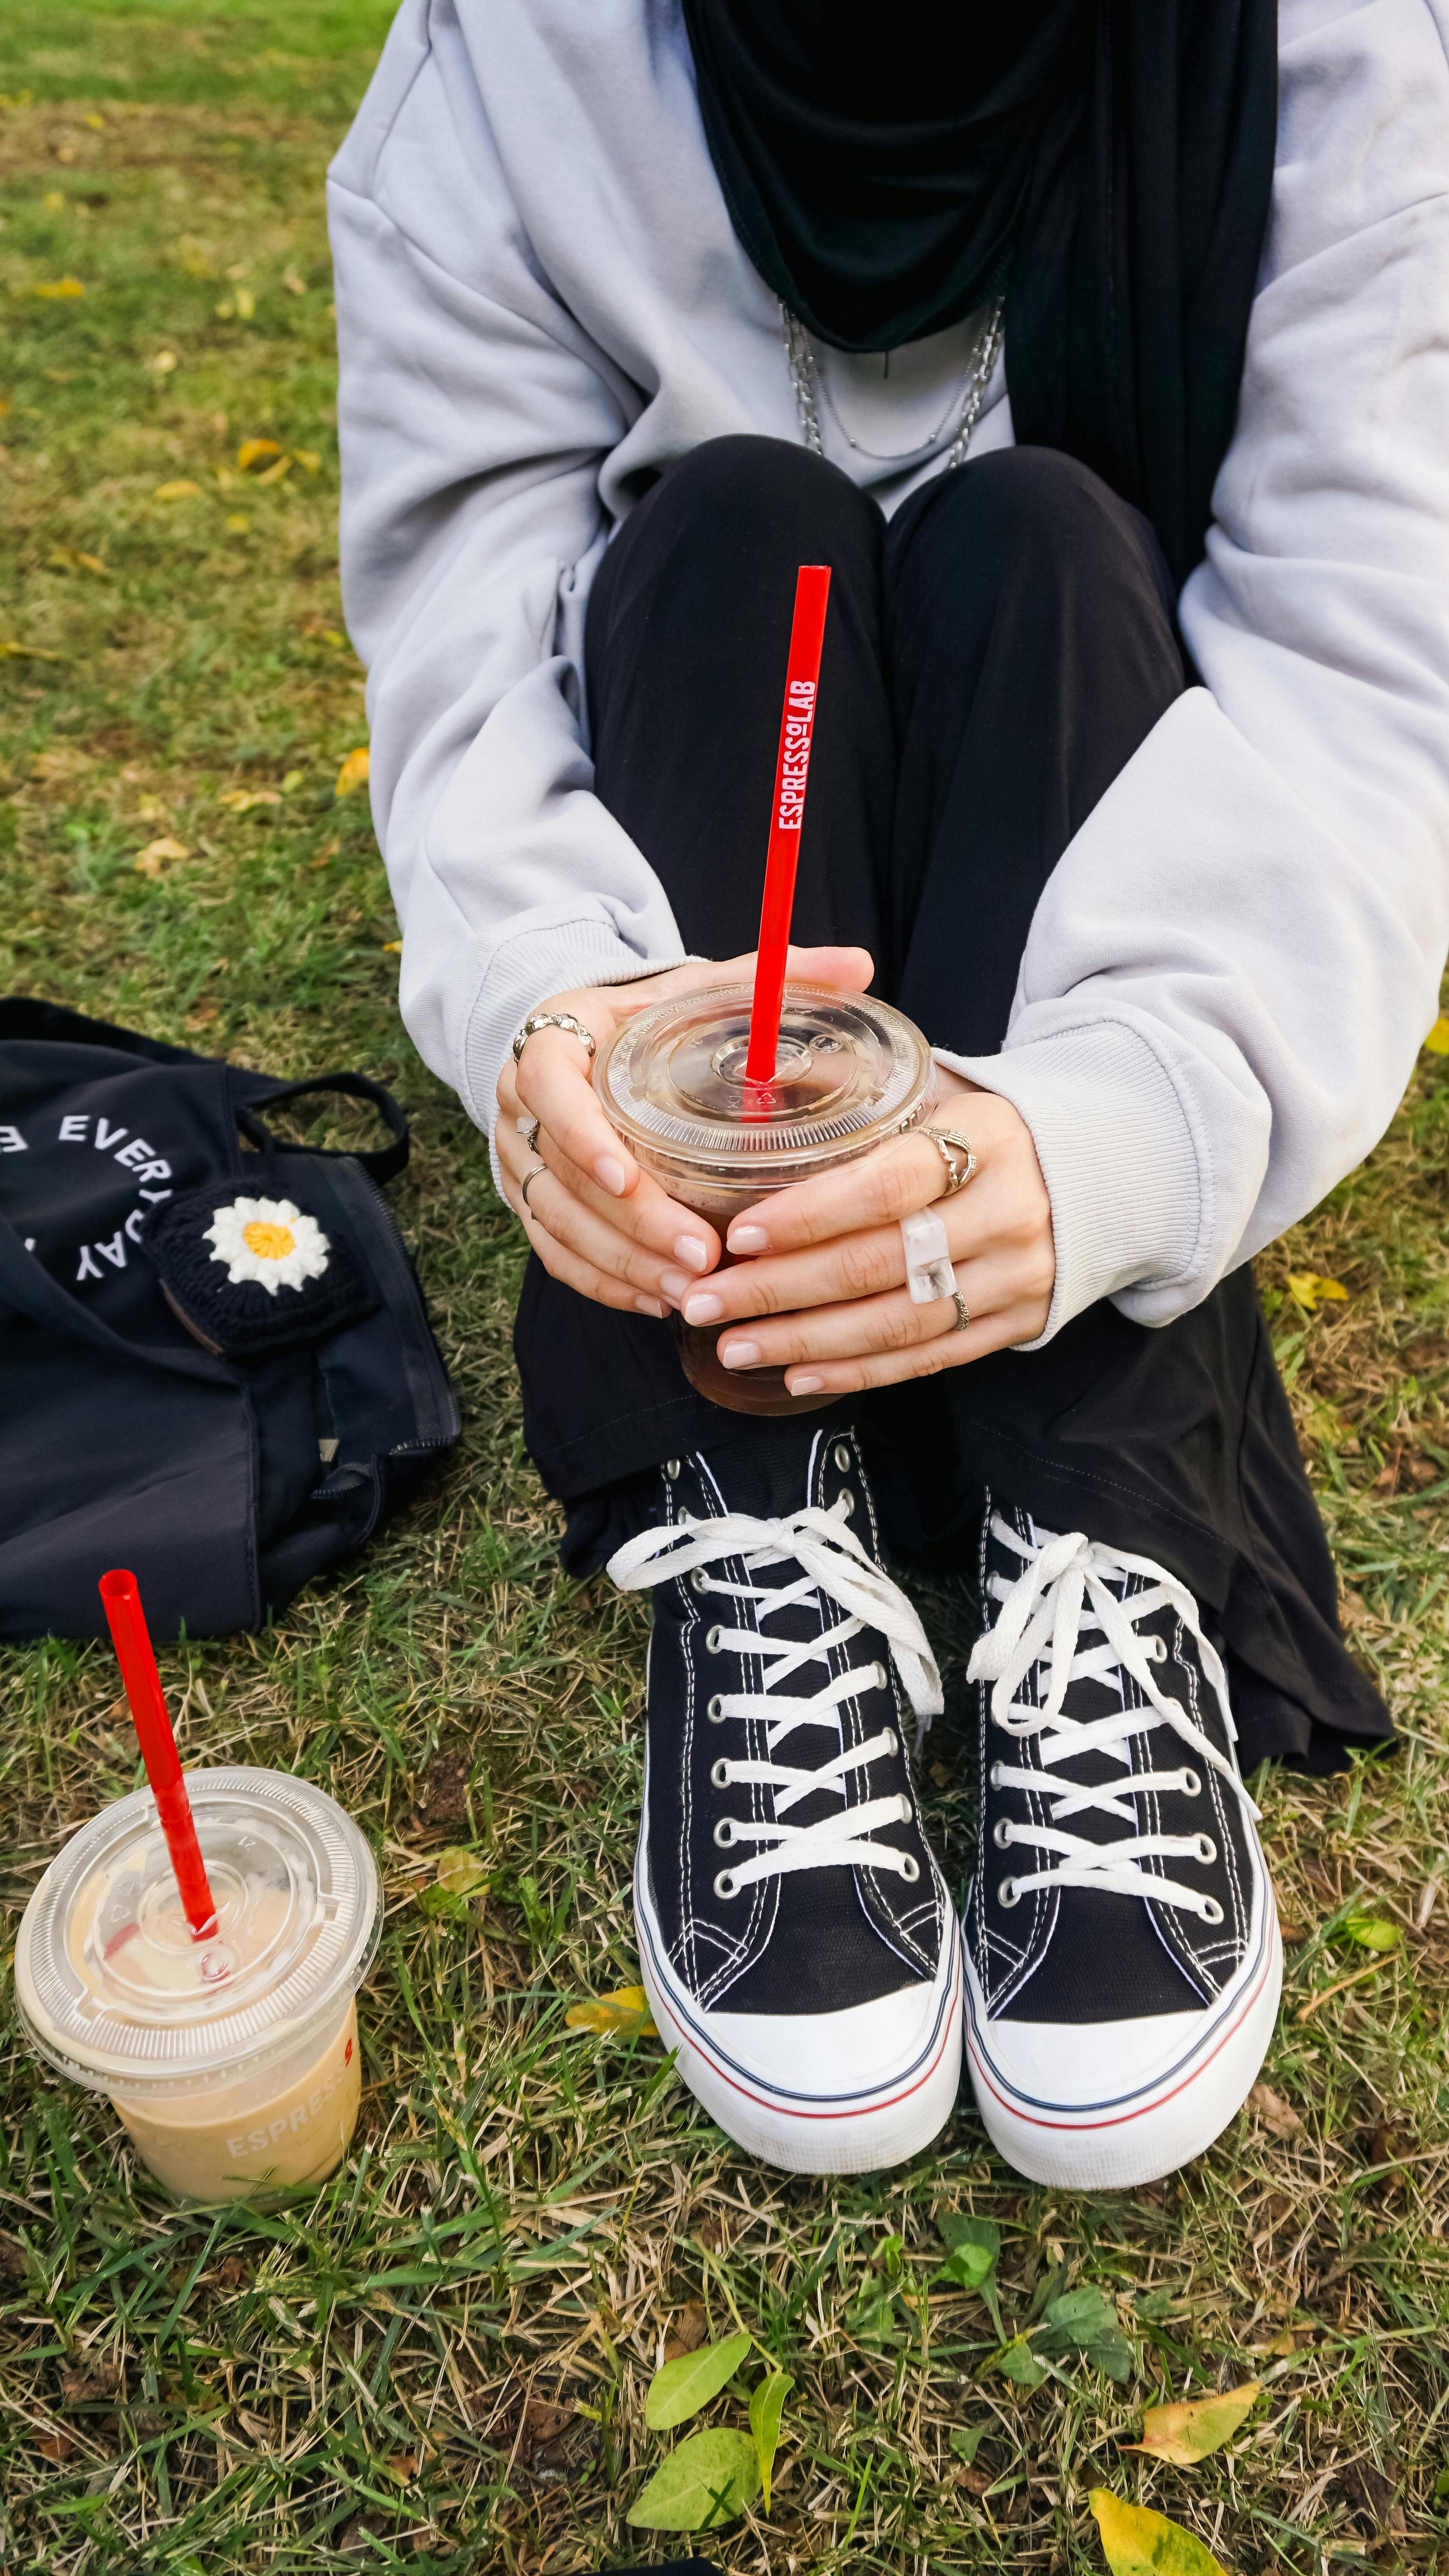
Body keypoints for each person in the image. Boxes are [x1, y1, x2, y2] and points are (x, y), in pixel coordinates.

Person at [329, 0, 1449, 2186]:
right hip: (716, 750)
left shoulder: (1349, 42)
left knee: (1041, 530)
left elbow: (1364, 661)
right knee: (736, 512)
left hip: (1112, 759)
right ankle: (752, 1506)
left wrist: (1120, 1127)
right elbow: (464, 617)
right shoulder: (488, 57)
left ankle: (1101, 1541)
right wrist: (557, 1002)